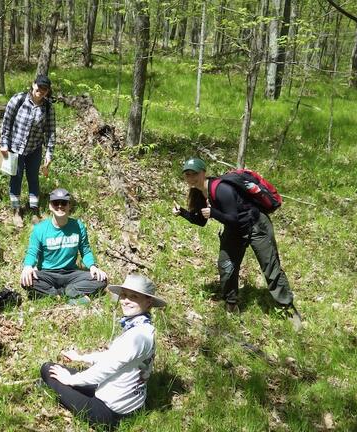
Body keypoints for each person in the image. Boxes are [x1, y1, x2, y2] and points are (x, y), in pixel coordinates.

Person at [173, 157, 302, 328]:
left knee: (270, 266)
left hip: (256, 226)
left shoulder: (221, 189)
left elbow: (233, 218)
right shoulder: (198, 192)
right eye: (187, 175)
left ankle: (287, 308)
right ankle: (231, 303)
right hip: (234, 229)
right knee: (226, 265)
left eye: (194, 174)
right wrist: (181, 212)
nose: (190, 178)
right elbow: (202, 221)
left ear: (203, 172)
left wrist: (214, 214)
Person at [40, 274, 166, 429]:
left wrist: (70, 380)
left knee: (47, 369)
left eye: (134, 297)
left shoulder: (136, 336)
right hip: (130, 404)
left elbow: (105, 369)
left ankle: (55, 386)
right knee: (63, 372)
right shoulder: (145, 329)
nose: (126, 301)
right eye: (124, 295)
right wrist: (81, 358)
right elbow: (113, 357)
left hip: (108, 411)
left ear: (148, 302)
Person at [20, 188, 107, 299]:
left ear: (69, 205)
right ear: (50, 206)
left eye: (64, 203)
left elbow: (85, 250)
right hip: (47, 274)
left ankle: (68, 291)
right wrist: (28, 267)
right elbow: (32, 252)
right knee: (26, 280)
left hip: (71, 273)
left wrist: (93, 267)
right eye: (56, 203)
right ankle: (59, 294)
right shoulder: (39, 229)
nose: (60, 206)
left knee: (102, 279)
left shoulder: (78, 226)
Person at [0, 74, 56, 227]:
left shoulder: (48, 107)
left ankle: (34, 210)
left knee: (33, 178)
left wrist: (49, 153)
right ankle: (16, 210)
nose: (41, 90)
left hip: (34, 149)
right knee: (16, 177)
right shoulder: (18, 100)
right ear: (33, 85)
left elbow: (50, 132)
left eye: (45, 89)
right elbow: (7, 123)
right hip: (15, 148)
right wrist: (4, 143)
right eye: (39, 87)